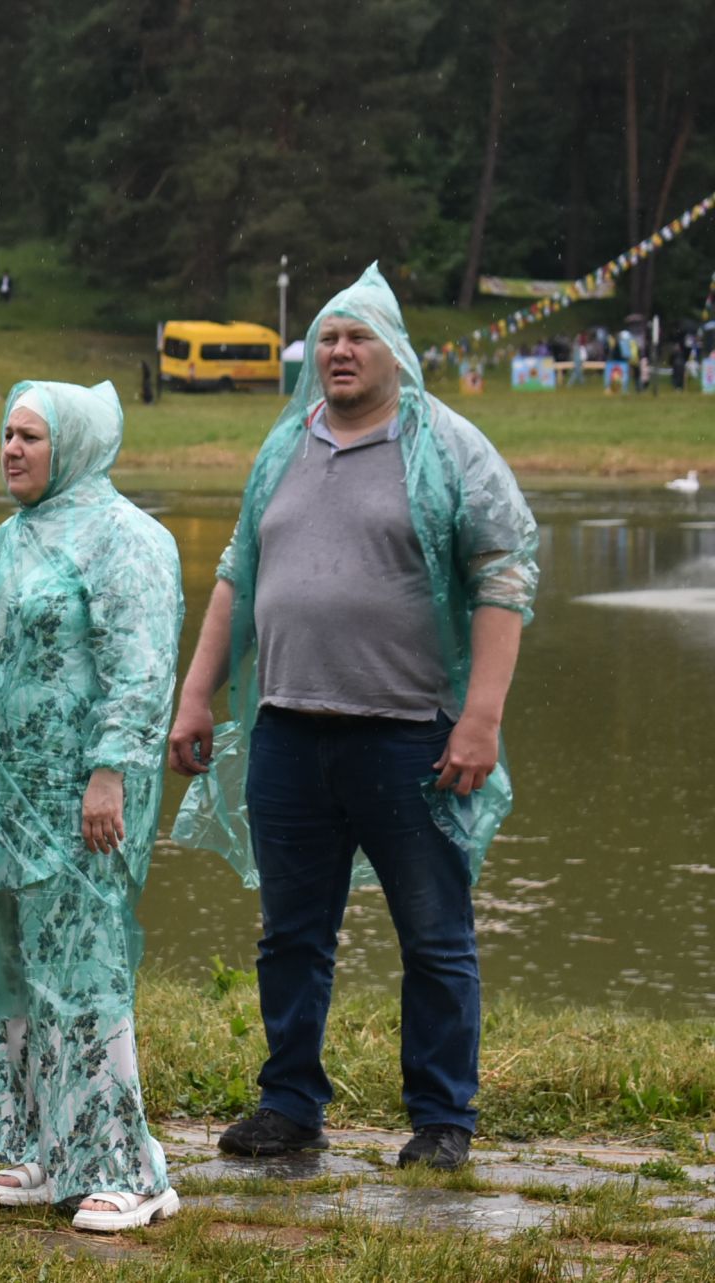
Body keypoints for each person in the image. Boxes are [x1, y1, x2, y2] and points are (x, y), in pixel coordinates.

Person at [168, 263, 538, 1172]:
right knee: (291, 932)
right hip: (288, 730)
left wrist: (481, 718)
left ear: (396, 353)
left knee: (433, 930)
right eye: (328, 337)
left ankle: (442, 1117)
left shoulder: (446, 447)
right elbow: (236, 571)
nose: (338, 350)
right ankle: (290, 1103)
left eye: (357, 336)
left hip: (410, 733)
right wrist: (196, 692)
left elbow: (503, 575)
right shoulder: (285, 444)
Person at [0, 380, 184, 1232]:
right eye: (6, 432)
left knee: (83, 972)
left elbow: (143, 663)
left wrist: (110, 769)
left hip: (83, 802)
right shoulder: (9, 540)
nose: (11, 448)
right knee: (13, 971)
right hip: (5, 804)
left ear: (74, 443)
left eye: (31, 436)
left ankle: (132, 1167)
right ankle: (53, 1146)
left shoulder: (127, 538)